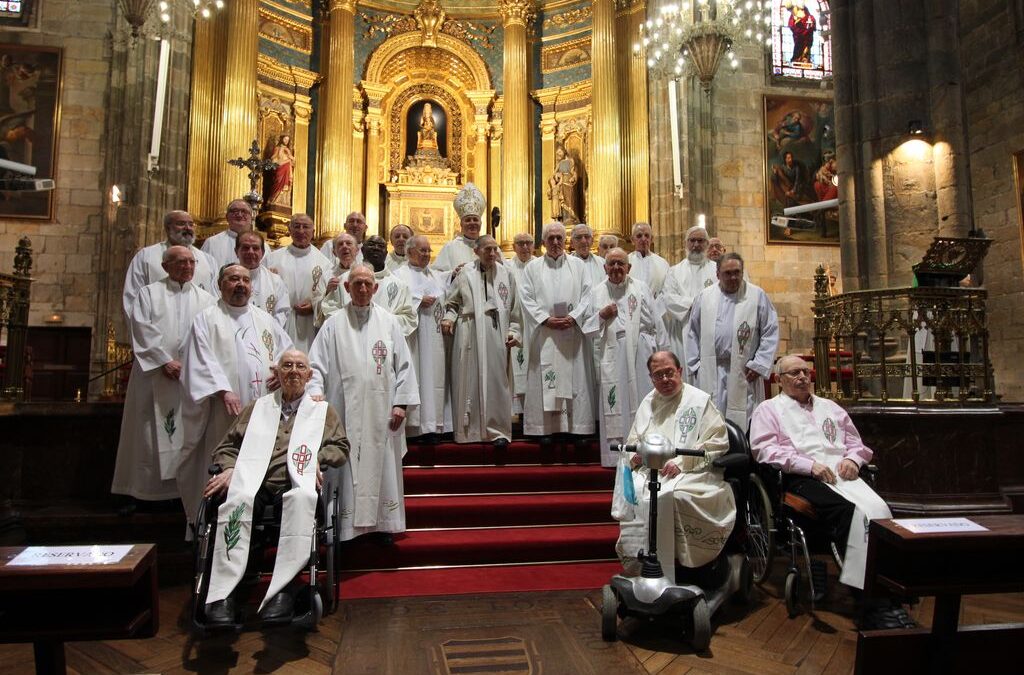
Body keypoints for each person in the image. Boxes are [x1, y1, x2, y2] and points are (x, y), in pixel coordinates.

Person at [749, 355, 909, 628]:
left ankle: (893, 591)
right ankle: (872, 603)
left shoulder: (832, 408)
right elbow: (764, 450)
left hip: (843, 475)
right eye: (794, 373)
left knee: (882, 513)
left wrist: (853, 460)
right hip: (801, 477)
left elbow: (857, 445)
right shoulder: (768, 410)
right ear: (779, 380)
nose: (802, 377)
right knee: (851, 515)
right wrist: (808, 465)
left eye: (805, 371)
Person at [201, 349, 349, 627]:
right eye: (287, 365)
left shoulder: (322, 411)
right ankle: (223, 595)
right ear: (277, 373)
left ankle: (283, 589)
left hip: (293, 483)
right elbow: (227, 446)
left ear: (309, 374)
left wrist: (318, 459)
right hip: (252, 482)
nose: (293, 370)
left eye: (300, 366)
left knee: (300, 500)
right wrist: (230, 468)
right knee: (235, 503)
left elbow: (340, 447)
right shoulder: (256, 408)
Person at [308, 264, 419, 543]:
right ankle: (344, 529)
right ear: (347, 288)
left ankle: (384, 525)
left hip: (382, 413)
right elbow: (316, 366)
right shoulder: (333, 324)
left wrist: (400, 405)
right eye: (356, 283)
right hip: (342, 412)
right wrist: (315, 396)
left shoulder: (390, 322)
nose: (362, 289)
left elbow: (404, 366)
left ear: (375, 288)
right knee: (343, 468)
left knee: (382, 466)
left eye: (367, 284)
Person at [178, 264, 293, 527]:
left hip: (262, 406)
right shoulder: (207, 319)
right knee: (225, 462)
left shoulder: (265, 318)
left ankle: (254, 524)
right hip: (224, 410)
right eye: (233, 279)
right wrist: (223, 390)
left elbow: (286, 351)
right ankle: (215, 525)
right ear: (220, 284)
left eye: (245, 280)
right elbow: (200, 359)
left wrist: (280, 371)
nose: (240, 284)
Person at [614, 351, 734, 579]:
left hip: (694, 471)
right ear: (651, 378)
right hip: (651, 472)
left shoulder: (699, 401)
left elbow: (718, 441)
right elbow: (633, 441)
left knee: (676, 496)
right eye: (658, 375)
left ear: (679, 371)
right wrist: (635, 456)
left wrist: (682, 462)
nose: (665, 380)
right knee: (635, 494)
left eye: (669, 373)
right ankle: (643, 564)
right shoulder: (648, 402)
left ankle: (686, 567)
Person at [111, 246, 216, 506]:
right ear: (166, 266)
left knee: (186, 432)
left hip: (189, 377)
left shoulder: (207, 300)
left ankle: (182, 492)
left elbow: (210, 336)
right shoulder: (149, 294)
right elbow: (142, 329)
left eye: (191, 263)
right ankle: (143, 492)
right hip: (154, 375)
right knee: (147, 431)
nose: (188, 267)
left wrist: (191, 365)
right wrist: (164, 361)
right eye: (180, 262)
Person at [583, 248, 662, 467]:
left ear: (629, 267)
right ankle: (615, 458)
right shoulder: (597, 292)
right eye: (612, 263)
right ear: (604, 267)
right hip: (612, 353)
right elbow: (586, 328)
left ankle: (643, 454)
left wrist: (658, 354)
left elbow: (657, 323)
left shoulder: (641, 288)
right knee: (614, 401)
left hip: (639, 353)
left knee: (641, 401)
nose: (617, 268)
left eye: (621, 264)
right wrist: (601, 315)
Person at [519, 222, 595, 442]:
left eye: (559, 238)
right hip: (545, 334)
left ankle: (577, 428)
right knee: (545, 377)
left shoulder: (578, 266)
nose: (555, 242)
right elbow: (526, 298)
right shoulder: (532, 268)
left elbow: (587, 295)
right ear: (543, 242)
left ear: (565, 241)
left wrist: (574, 317)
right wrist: (545, 320)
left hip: (572, 332)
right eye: (550, 238)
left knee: (576, 379)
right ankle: (544, 429)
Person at [441, 235, 521, 447]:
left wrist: (514, 332)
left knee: (497, 381)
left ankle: (499, 432)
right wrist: (449, 318)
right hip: (469, 332)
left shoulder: (507, 274)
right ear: (476, 251)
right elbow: (452, 302)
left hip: (497, 334)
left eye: (495, 249)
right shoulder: (465, 273)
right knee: (468, 380)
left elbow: (515, 311)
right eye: (487, 249)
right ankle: (469, 432)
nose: (492, 253)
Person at [686, 252, 779, 430]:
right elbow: (692, 333)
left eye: (737, 272)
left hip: (744, 371)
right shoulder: (704, 297)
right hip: (711, 369)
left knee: (745, 419)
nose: (733, 277)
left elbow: (770, 331)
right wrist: (696, 366)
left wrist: (759, 364)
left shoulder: (757, 296)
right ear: (717, 274)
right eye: (727, 273)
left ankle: (744, 455)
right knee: (712, 419)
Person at [395, 235, 451, 441]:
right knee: (416, 377)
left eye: (429, 251)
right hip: (413, 340)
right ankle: (413, 426)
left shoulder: (435, 275)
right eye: (423, 251)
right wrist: (418, 300)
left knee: (434, 379)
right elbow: (395, 303)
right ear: (409, 252)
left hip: (435, 340)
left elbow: (448, 288)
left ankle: (432, 426)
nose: (427, 254)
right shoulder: (399, 276)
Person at [123, 210, 217, 317]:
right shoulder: (146, 256)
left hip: (198, 328)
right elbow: (132, 297)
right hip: (158, 326)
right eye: (181, 223)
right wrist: (145, 331)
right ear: (167, 228)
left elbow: (215, 298)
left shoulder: (208, 260)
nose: (188, 228)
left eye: (191, 224)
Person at [320, 235, 417, 337]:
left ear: (386, 253)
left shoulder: (400, 286)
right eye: (371, 244)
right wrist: (355, 323)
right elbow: (330, 311)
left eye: (380, 246)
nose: (376, 248)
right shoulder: (344, 280)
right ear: (362, 250)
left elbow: (409, 319)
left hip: (383, 343)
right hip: (350, 339)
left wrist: (379, 321)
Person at [265, 213, 333, 351]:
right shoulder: (273, 258)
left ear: (313, 232)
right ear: (290, 231)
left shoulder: (324, 263)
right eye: (296, 226)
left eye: (306, 227)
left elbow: (328, 296)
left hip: (308, 324)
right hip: (280, 321)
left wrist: (314, 306)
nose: (301, 231)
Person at [662, 226, 717, 381]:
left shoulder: (716, 270)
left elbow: (721, 297)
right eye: (692, 240)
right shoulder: (674, 271)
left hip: (710, 327)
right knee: (685, 373)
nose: (696, 245)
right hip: (682, 330)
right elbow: (668, 298)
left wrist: (699, 305)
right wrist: (694, 304)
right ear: (686, 243)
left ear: (707, 244)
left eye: (700, 241)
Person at [504, 232, 535, 414]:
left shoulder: (540, 265)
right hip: (514, 323)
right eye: (521, 243)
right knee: (514, 368)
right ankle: (516, 412)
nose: (525, 247)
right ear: (514, 247)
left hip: (535, 325)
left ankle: (533, 410)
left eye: (528, 243)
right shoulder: (506, 267)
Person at [236, 231, 290, 328]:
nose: (250, 252)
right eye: (246, 247)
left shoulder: (275, 281)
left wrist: (267, 331)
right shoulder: (225, 280)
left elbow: (282, 312)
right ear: (236, 251)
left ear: (263, 253)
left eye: (255, 248)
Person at [433, 182, 484, 274]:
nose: (472, 223)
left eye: (475, 219)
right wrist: (452, 274)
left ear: (481, 223)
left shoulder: (490, 246)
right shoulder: (450, 247)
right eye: (468, 220)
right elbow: (436, 275)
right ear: (461, 224)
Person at [202, 199, 268, 269]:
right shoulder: (212, 243)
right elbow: (203, 270)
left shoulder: (263, 246)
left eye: (244, 211)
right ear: (227, 217)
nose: (239, 215)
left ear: (251, 217)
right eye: (234, 211)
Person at [627, 222, 670, 296]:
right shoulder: (626, 261)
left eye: (647, 235)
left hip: (655, 306)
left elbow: (668, 289)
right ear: (632, 240)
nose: (643, 239)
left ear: (652, 239)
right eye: (639, 236)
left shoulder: (662, 263)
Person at [547, 145, 579, 224]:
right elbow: (554, 174)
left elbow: (574, 172)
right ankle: (564, 219)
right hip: (561, 184)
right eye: (557, 153)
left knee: (569, 200)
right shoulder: (560, 163)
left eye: (560, 152)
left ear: (564, 152)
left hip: (568, 183)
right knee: (562, 201)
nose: (558, 154)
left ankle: (571, 217)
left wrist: (574, 177)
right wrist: (556, 175)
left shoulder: (570, 161)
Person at [264, 134, 295, 206]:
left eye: (287, 140)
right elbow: (273, 159)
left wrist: (290, 158)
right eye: (285, 139)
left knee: (285, 186)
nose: (286, 141)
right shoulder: (277, 148)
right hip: (280, 169)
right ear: (282, 139)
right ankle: (274, 200)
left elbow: (293, 162)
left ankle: (283, 202)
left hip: (287, 171)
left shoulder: (288, 150)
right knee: (278, 182)